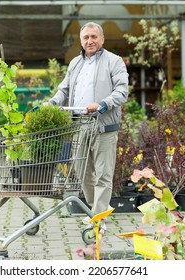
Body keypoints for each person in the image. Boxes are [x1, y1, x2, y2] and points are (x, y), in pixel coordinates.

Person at [46, 22, 129, 231]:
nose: (89, 41)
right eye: (86, 38)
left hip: (103, 126)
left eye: (94, 37)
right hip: (81, 125)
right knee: (82, 171)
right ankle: (97, 208)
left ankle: (98, 217)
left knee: (103, 173)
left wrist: (102, 104)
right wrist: (53, 102)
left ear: (102, 39)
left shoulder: (114, 61)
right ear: (81, 41)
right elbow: (63, 89)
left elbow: (122, 91)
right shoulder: (75, 63)